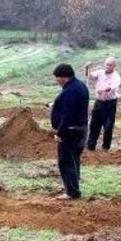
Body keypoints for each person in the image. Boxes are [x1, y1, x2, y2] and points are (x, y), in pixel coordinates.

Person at [50, 63, 89, 200]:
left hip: (71, 131)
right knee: (74, 159)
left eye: (57, 78)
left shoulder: (70, 91)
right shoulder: (80, 85)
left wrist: (60, 133)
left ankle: (72, 192)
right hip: (81, 129)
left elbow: (68, 115)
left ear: (63, 77)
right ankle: (73, 186)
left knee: (66, 161)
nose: (56, 81)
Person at [85, 57, 121, 151]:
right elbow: (90, 77)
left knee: (108, 126)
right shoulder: (100, 73)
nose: (108, 66)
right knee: (94, 125)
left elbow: (112, 87)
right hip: (99, 102)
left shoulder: (116, 76)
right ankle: (91, 146)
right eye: (107, 64)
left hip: (110, 103)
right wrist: (87, 68)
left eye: (110, 65)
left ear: (114, 66)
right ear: (104, 65)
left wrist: (103, 90)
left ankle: (106, 147)